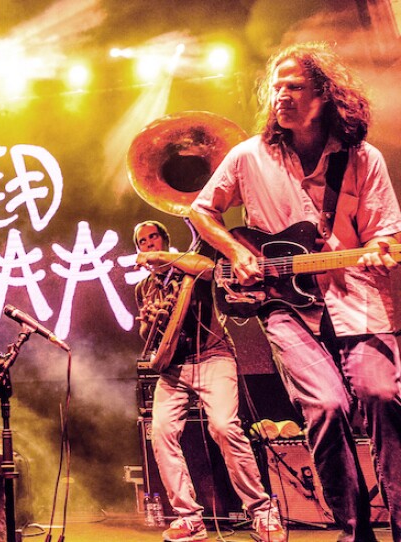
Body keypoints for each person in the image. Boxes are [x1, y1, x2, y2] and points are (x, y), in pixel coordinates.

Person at [190, 42, 401, 541]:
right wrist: (237, 252)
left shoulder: (362, 159)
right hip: (286, 309)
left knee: (383, 395)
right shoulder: (248, 156)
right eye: (277, 87)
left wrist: (379, 247)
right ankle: (355, 534)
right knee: (325, 408)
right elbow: (201, 211)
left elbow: (386, 233)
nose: (281, 96)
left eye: (295, 87)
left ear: (325, 96)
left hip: (359, 301)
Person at [133, 220, 285, 542]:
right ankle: (189, 519)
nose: (149, 244)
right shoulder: (143, 288)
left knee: (224, 427)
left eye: (153, 237)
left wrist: (164, 257)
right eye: (143, 241)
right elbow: (149, 335)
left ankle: (262, 512)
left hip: (214, 356)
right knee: (159, 432)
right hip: (173, 367)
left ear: (164, 239)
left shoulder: (188, 265)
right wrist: (151, 321)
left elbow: (207, 268)